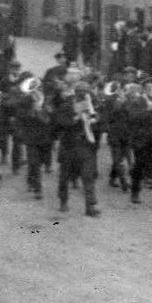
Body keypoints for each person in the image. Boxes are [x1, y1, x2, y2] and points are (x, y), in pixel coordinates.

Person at [56, 86, 101, 216]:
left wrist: (94, 118)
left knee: (88, 176)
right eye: (80, 94)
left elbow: (100, 126)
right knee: (65, 177)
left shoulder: (91, 108)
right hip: (69, 146)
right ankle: (63, 201)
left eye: (85, 94)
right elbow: (59, 124)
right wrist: (75, 117)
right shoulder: (65, 107)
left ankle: (90, 206)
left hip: (85, 146)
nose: (83, 96)